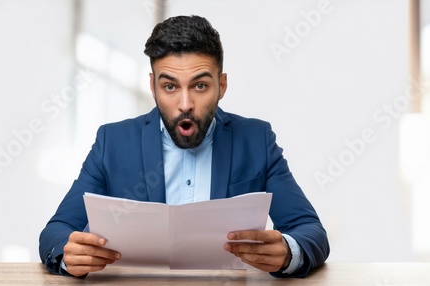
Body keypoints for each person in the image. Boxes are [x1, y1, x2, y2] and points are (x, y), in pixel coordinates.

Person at [39, 15, 329, 279]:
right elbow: (55, 232)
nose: (185, 104)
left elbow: (310, 230)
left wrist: (288, 251)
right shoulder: (112, 142)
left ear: (222, 85)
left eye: (200, 86)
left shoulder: (256, 140)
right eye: (170, 87)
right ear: (153, 86)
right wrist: (68, 253)